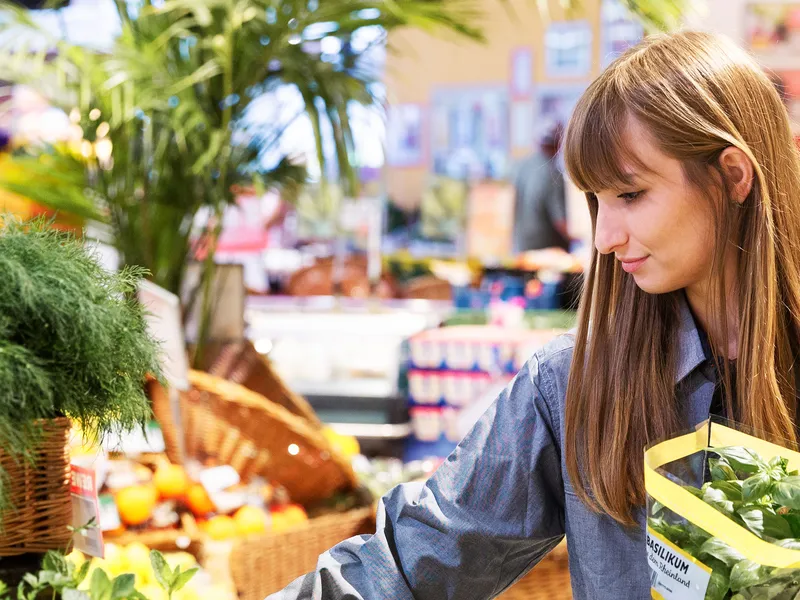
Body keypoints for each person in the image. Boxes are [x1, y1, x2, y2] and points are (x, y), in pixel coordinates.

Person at [269, 30, 800, 599]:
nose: (604, 237)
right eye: (595, 201)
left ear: (733, 176)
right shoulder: (576, 383)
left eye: (630, 194)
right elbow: (422, 554)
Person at [511, 123, 570, 253]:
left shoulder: (520, 166)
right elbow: (561, 221)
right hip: (548, 251)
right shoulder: (553, 174)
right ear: (559, 144)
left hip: (521, 245)